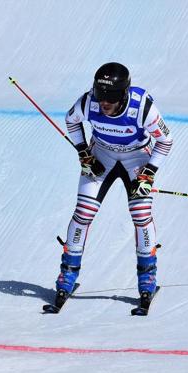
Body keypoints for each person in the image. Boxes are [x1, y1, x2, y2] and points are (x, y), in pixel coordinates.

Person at [51, 62, 173, 311]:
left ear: (124, 94)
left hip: (136, 158)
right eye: (101, 95)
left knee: (141, 215)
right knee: (83, 213)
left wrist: (148, 174)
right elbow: (71, 121)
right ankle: (67, 277)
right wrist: (84, 152)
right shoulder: (88, 102)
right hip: (102, 156)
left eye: (112, 97)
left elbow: (166, 141)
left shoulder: (142, 108)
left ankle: (147, 280)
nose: (104, 103)